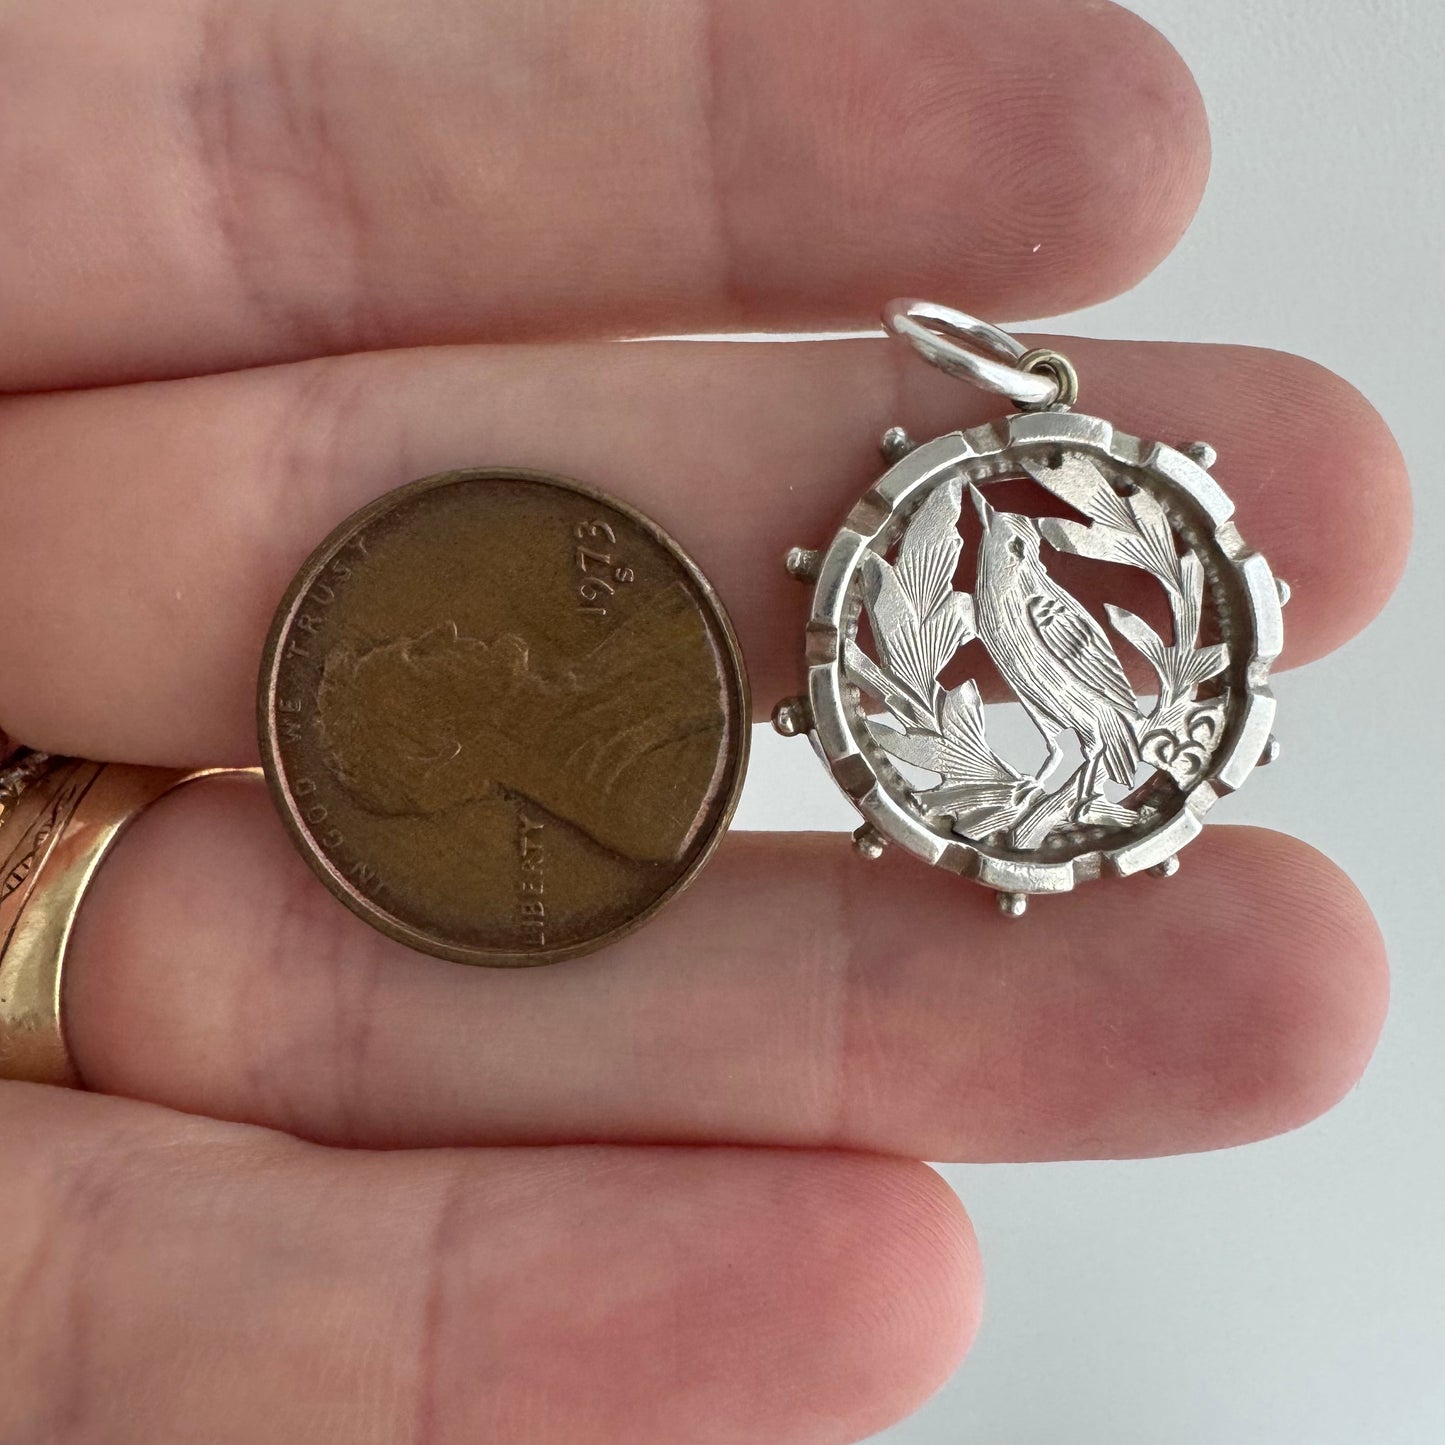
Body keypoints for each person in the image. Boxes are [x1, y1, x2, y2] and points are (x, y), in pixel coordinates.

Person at [0, 0, 1408, 1439]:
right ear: (455, 739)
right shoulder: (647, 756)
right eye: (428, 657)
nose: (445, 622)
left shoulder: (668, 706)